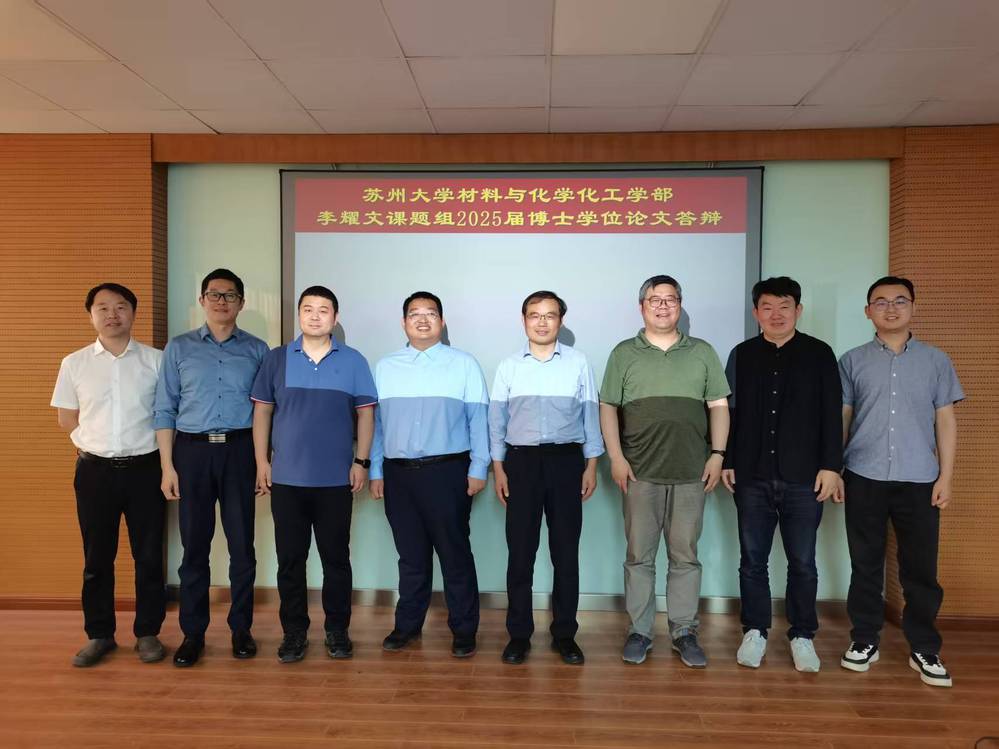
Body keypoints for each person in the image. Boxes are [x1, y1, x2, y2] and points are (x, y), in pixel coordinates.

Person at [839, 276, 963, 688]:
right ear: (867, 311)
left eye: (899, 301)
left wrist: (946, 476)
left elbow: (945, 420)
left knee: (920, 568)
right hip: (864, 475)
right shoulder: (851, 361)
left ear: (913, 307)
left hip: (920, 479)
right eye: (880, 302)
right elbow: (843, 418)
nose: (890, 308)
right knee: (865, 564)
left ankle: (924, 647)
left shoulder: (936, 361)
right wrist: (835, 469)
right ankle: (864, 639)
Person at [600, 275, 730, 668]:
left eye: (670, 299)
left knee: (685, 556)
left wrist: (718, 454)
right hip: (639, 472)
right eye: (654, 299)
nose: (662, 306)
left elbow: (718, 406)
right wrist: (616, 457)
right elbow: (608, 407)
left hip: (692, 471)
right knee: (639, 556)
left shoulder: (702, 351)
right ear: (642, 307)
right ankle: (639, 631)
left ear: (680, 305)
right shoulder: (624, 353)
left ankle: (684, 631)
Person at [720, 276, 842, 673]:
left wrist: (831, 466)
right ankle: (755, 630)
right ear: (756, 312)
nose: (776, 314)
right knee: (752, 560)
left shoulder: (819, 354)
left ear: (798, 310)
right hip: (751, 474)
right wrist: (727, 460)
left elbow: (832, 414)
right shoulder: (741, 355)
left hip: (804, 477)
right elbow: (729, 414)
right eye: (767, 307)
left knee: (802, 561)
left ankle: (802, 634)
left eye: (784, 306)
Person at [251, 286, 376, 663]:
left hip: (336, 480)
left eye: (324, 310)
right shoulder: (277, 359)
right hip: (287, 479)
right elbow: (262, 413)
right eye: (308, 309)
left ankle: (337, 631)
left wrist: (361, 462)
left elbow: (366, 414)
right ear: (299, 315)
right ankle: (294, 633)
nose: (315, 316)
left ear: (335, 318)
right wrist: (262, 462)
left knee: (336, 559)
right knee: (290, 560)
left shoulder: (353, 361)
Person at [153, 268, 269, 667]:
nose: (222, 301)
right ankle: (193, 634)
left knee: (242, 547)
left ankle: (241, 629)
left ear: (241, 303)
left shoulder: (257, 350)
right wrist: (167, 466)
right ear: (202, 300)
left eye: (230, 295)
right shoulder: (179, 348)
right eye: (214, 294)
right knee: (194, 548)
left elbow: (264, 411)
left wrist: (262, 461)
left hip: (239, 451)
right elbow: (164, 408)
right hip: (191, 454)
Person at [51, 283, 167, 667]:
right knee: (96, 557)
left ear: (133, 312)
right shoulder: (74, 363)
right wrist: (92, 447)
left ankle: (148, 633)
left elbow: (167, 416)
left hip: (146, 470)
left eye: (120, 307)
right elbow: (67, 418)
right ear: (91, 315)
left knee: (148, 556)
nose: (112, 314)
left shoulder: (156, 361)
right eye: (103, 308)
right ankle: (99, 634)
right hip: (95, 472)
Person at [369, 291, 489, 658]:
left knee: (455, 554)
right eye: (414, 314)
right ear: (404, 322)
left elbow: (478, 420)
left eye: (431, 313)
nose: (423, 320)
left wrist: (479, 467)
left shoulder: (464, 364)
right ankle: (407, 625)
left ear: (442, 321)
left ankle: (464, 630)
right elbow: (377, 426)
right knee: (410, 556)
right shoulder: (385, 367)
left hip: (448, 472)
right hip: (398, 475)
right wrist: (376, 469)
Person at [489, 291, 605, 665]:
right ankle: (519, 635)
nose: (542, 322)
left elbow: (590, 417)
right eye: (534, 315)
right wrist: (499, 468)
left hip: (566, 461)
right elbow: (496, 423)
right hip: (520, 463)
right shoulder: (509, 366)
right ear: (524, 320)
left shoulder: (578, 362)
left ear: (561, 321)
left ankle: (565, 634)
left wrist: (591, 465)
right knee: (520, 554)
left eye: (550, 315)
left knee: (565, 553)